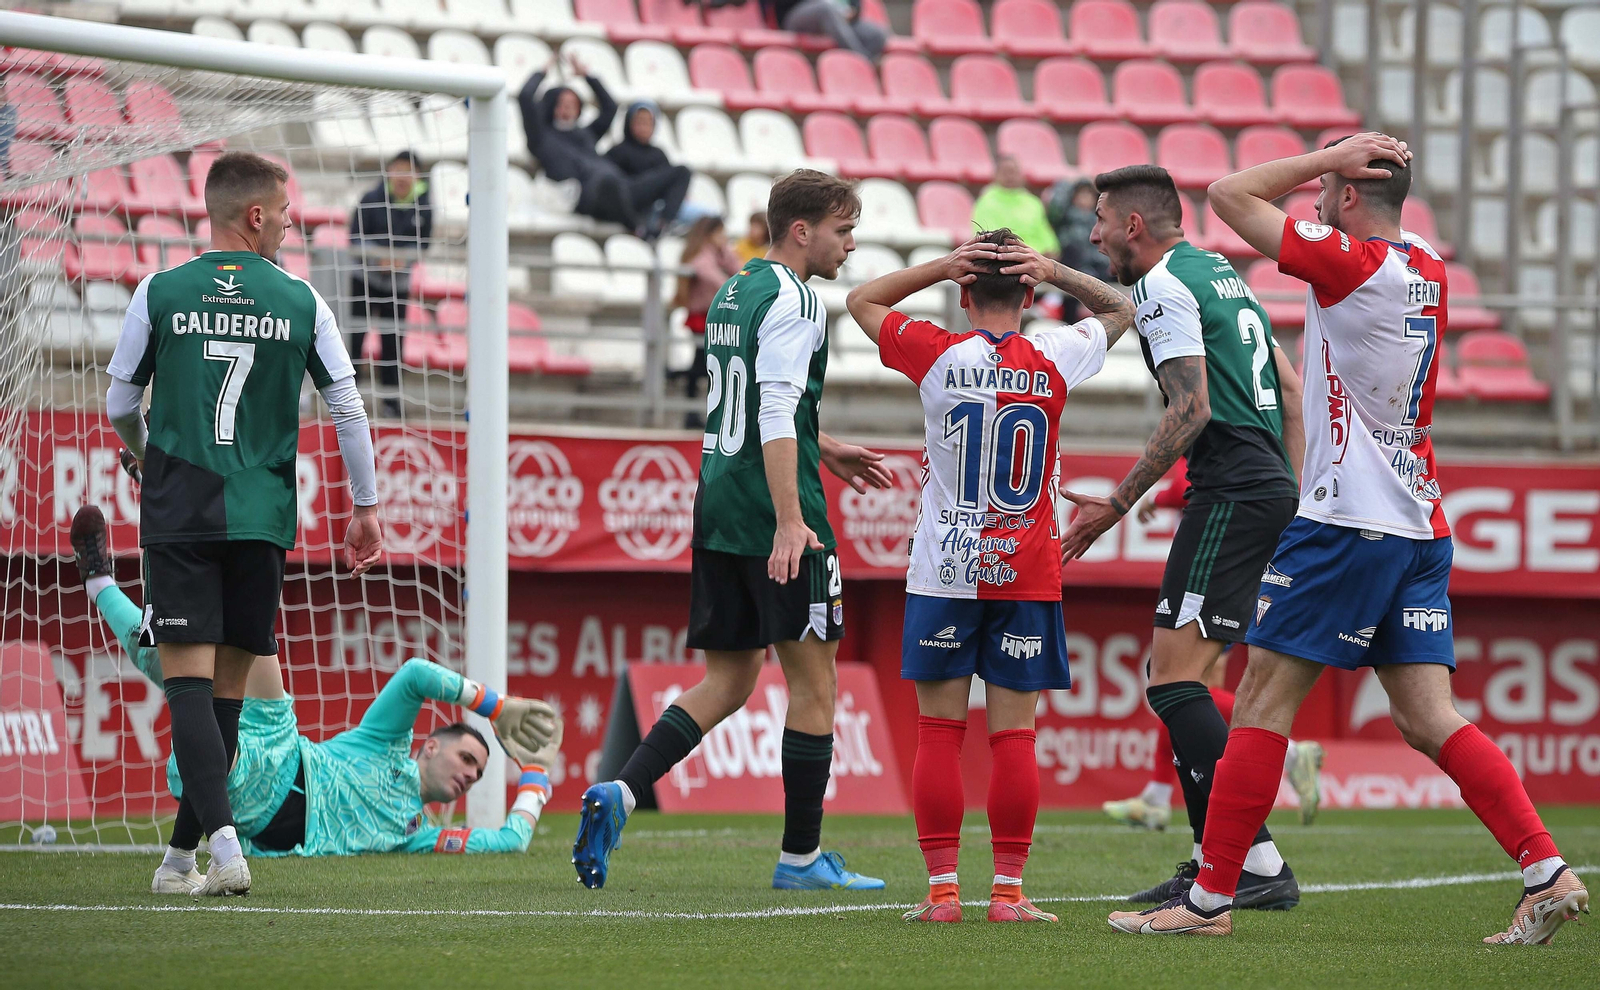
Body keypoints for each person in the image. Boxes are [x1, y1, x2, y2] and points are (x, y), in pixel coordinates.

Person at [1109, 133, 1591, 943]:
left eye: (1328, 191)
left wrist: (1327, 154)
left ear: (1354, 196)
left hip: (1348, 521)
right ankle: (1546, 871)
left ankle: (1210, 900)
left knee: (1262, 699)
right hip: (1419, 521)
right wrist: (1341, 162)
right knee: (1429, 716)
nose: (1315, 202)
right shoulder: (1429, 263)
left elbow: (1229, 195)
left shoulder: (1352, 263)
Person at [573, 170, 896, 892]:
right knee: (815, 684)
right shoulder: (797, 298)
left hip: (718, 502)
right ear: (803, 231)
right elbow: (776, 407)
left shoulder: (735, 289)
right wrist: (791, 518)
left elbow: (758, 403)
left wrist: (825, 443)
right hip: (776, 514)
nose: (851, 244)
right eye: (844, 230)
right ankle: (802, 859)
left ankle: (620, 792)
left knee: (729, 678)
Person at [104, 151, 385, 896]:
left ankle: (200, 852)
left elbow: (117, 405)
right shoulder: (302, 301)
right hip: (261, 513)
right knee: (224, 692)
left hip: (181, 507)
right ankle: (193, 857)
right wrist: (366, 506)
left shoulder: (159, 290)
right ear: (255, 215)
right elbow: (348, 409)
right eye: (286, 212)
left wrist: (143, 459)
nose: (292, 222)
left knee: (192, 688)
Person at [846, 232, 1134, 923]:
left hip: (945, 565)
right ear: (1031, 295)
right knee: (1015, 737)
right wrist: (1059, 269)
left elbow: (861, 299)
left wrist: (943, 267)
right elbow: (1124, 308)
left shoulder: (937, 352)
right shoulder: (1056, 353)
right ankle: (1007, 893)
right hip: (1027, 568)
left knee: (938, 734)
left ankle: (943, 892)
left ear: (964, 293)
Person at [1059, 164, 1305, 911]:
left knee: (1173, 682)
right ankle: (1225, 859)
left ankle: (1240, 865)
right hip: (1257, 482)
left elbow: (1191, 410)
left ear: (1134, 225)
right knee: (1186, 679)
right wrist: (1287, 488)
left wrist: (1116, 503)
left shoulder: (1167, 283)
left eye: (1100, 220)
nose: (1093, 232)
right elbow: (1292, 393)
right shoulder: (1218, 272)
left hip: (1230, 485)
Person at [69, 506, 559, 879]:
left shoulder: (417, 836)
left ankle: (154, 517)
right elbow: (414, 675)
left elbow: (510, 841)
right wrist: (495, 706)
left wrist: (535, 771)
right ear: (431, 745)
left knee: (191, 665)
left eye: (477, 773)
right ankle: (109, 569)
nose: (471, 776)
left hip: (264, 805)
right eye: (469, 758)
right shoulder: (383, 741)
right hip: (283, 742)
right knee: (220, 635)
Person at [348, 150, 432, 420]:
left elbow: (423, 245)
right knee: (355, 339)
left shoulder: (424, 206)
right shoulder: (371, 199)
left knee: (392, 344)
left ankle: (391, 403)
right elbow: (355, 237)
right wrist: (377, 258)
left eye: (408, 170)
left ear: (417, 175)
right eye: (397, 169)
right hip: (364, 280)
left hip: (397, 286)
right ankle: (348, 398)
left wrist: (401, 260)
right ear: (389, 171)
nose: (402, 176)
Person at [674, 215, 742, 424]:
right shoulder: (701, 254)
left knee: (705, 362)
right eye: (720, 233)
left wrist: (727, 254)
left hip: (712, 315)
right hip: (702, 316)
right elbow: (712, 275)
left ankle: (692, 410)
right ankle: (690, 410)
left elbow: (739, 268)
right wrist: (733, 287)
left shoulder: (718, 253)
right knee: (704, 363)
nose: (724, 237)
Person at [604, 100, 693, 236]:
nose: (644, 127)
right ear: (629, 123)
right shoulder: (617, 151)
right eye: (639, 122)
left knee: (707, 216)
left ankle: (664, 224)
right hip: (628, 200)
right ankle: (660, 225)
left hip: (654, 205)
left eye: (648, 123)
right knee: (682, 172)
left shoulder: (659, 154)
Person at [971, 156, 1060, 259]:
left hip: (1036, 259)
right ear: (995, 175)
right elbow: (988, 239)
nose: (1010, 176)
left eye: (1013, 172)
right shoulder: (986, 202)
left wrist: (1049, 252)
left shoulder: (1033, 202)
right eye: (1005, 172)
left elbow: (1047, 237)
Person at [759, 0, 889, 60]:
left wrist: (853, 12)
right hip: (795, 15)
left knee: (877, 34)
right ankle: (860, 59)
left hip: (840, 19)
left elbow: (855, 5)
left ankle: (847, 66)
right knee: (825, 8)